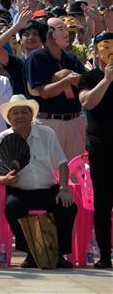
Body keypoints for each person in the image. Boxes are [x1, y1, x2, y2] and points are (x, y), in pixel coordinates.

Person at [0, 95, 77, 268]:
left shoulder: (47, 134)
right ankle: (31, 252)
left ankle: (59, 253)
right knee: (12, 207)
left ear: (32, 116)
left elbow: (61, 163)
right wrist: (5, 179)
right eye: (15, 113)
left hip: (48, 189)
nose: (20, 116)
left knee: (68, 207)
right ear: (9, 118)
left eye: (24, 112)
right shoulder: (0, 139)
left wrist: (63, 188)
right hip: (19, 191)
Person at [24, 18, 86, 159]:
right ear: (48, 35)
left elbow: (84, 83)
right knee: (50, 173)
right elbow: (44, 92)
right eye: (61, 28)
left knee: (76, 172)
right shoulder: (36, 57)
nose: (67, 32)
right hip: (49, 122)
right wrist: (68, 80)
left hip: (75, 120)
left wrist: (66, 77)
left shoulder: (71, 57)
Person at [77, 32, 113, 268]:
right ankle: (104, 254)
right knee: (103, 201)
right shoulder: (90, 77)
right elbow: (87, 102)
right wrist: (107, 79)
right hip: (101, 147)